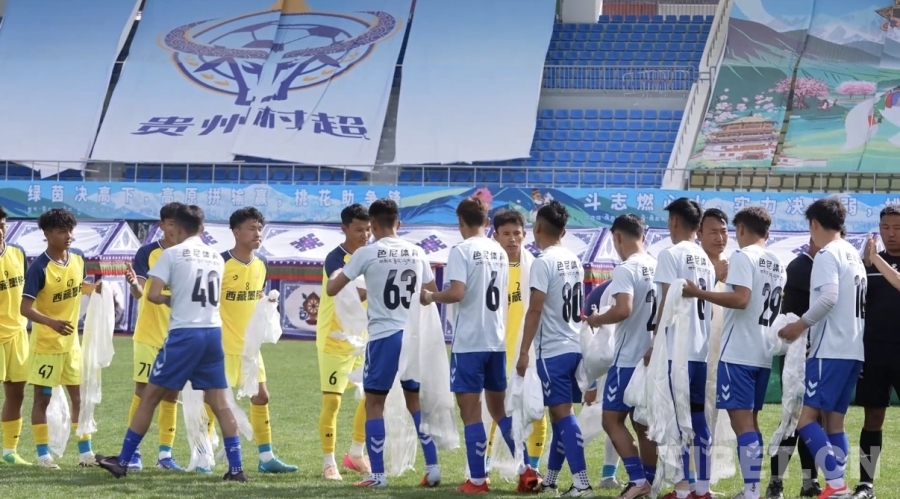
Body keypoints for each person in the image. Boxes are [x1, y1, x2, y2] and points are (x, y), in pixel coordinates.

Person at [96, 204, 247, 482]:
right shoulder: (216, 256)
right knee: (220, 403)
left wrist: (172, 298)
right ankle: (236, 469)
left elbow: (153, 295)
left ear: (176, 228)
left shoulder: (171, 254)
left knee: (149, 397)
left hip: (184, 334)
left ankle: (124, 461)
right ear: (202, 228)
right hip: (212, 334)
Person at [422, 197, 541, 493]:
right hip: (496, 343)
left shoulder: (461, 250)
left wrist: (431, 297)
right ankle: (526, 468)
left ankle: (477, 479)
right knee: (500, 411)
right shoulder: (499, 252)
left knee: (471, 412)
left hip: (470, 342)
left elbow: (457, 293)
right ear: (487, 223)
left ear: (461, 222)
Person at [326, 198, 440, 489]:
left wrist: (342, 275)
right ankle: (433, 467)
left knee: (374, 402)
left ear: (373, 226)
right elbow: (431, 293)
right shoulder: (418, 252)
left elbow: (332, 288)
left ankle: (377, 475)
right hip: (412, 337)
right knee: (415, 401)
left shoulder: (367, 253)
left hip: (384, 337)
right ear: (398, 223)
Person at [683, 207, 785, 499]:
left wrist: (698, 292)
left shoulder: (742, 256)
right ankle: (752, 488)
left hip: (738, 353)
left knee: (742, 424)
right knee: (751, 422)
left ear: (740, 229)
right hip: (763, 353)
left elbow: (741, 299)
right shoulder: (778, 262)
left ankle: (751, 491)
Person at [777, 197, 866, 499]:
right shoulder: (854, 255)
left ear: (814, 224)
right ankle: (837, 484)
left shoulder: (828, 254)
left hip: (829, 351)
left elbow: (828, 298)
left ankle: (837, 485)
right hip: (852, 350)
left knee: (806, 421)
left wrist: (799, 326)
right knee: (835, 424)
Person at [516, 201, 593, 497]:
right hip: (574, 346)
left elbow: (535, 310)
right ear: (564, 230)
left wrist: (524, 351)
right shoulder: (574, 259)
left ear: (537, 227)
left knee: (563, 416)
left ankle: (582, 483)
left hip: (553, 350)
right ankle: (550, 479)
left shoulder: (543, 261)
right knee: (560, 416)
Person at [20, 208, 100, 469]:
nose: (69, 236)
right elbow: (25, 308)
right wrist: (51, 323)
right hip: (46, 346)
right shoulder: (39, 268)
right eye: (62, 231)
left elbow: (79, 286)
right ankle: (43, 455)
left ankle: (85, 453)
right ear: (47, 234)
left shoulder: (77, 258)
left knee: (80, 399)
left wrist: (96, 289)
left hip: (71, 346)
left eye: (70, 230)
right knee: (42, 400)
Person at [219, 207, 296, 473]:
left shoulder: (262, 263)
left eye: (260, 228)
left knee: (261, 397)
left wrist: (268, 304)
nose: (258, 233)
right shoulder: (221, 263)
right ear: (236, 232)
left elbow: (256, 297)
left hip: (250, 348)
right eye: (252, 228)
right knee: (214, 402)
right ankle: (203, 456)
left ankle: (266, 458)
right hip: (222, 346)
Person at [587, 214, 658, 499]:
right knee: (643, 424)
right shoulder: (658, 265)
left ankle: (638, 479)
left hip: (628, 359)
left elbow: (623, 309)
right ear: (643, 235)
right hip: (651, 357)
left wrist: (597, 319)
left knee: (611, 420)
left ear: (617, 237)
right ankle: (649, 483)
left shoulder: (626, 268)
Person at [650, 197, 714, 499]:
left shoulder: (670, 254)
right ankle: (703, 487)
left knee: (676, 420)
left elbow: (668, 302)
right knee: (698, 417)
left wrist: (654, 343)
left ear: (674, 221)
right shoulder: (705, 259)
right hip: (700, 351)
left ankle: (682, 488)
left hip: (677, 352)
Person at [122, 202, 185, 471]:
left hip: (178, 338)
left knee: (171, 396)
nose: (175, 228)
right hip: (149, 335)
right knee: (143, 392)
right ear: (162, 225)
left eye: (179, 223)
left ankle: (165, 456)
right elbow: (139, 293)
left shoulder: (189, 254)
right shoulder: (147, 252)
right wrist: (133, 284)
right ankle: (133, 453)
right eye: (170, 223)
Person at [486, 209, 548, 477]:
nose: (512, 239)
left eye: (517, 234)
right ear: (496, 235)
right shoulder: (488, 266)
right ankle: (484, 465)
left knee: (535, 408)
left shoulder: (535, 267)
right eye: (506, 234)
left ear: (525, 235)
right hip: (497, 350)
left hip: (528, 350)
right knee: (494, 410)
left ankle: (533, 468)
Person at [317, 204, 371, 480]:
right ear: (345, 229)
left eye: (368, 229)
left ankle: (356, 454)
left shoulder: (372, 254)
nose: (365, 235)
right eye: (359, 229)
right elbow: (345, 293)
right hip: (335, 339)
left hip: (363, 340)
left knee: (370, 397)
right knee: (332, 403)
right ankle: (329, 462)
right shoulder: (335, 258)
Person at [765, 236, 822, 499]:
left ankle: (810, 481)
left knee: (811, 419)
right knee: (794, 418)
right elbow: (826, 301)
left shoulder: (821, 265)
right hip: (798, 353)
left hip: (817, 351)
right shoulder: (801, 266)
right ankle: (776, 482)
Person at [851, 205, 900, 499]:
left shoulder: (875, 261)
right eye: (885, 228)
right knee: (872, 419)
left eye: (897, 228)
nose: (891, 234)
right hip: (873, 351)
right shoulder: (866, 264)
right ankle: (866, 484)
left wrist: (876, 260)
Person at [582, 280, 625, 491]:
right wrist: (590, 384)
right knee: (615, 419)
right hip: (611, 361)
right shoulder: (604, 291)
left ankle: (613, 474)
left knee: (626, 421)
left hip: (632, 359)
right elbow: (589, 338)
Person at [0, 206, 30, 465]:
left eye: (2, 225)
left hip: (18, 333)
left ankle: (9, 451)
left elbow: (31, 291)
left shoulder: (18, 252)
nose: (1, 231)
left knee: (17, 392)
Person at [697, 208, 730, 283]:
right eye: (713, 232)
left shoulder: (732, 265)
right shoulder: (692, 265)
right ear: (699, 235)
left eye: (723, 231)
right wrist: (714, 277)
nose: (720, 239)